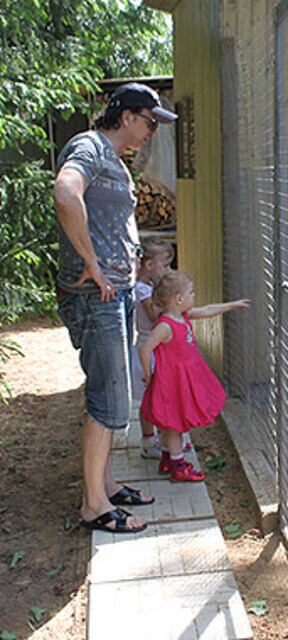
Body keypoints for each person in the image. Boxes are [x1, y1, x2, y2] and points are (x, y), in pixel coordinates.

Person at [54, 82, 177, 534]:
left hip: (115, 292)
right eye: (150, 122)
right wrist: (93, 264)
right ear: (126, 115)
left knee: (114, 395)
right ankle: (93, 506)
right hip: (97, 295)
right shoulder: (88, 146)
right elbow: (66, 192)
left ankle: (105, 486)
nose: (152, 132)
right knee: (107, 402)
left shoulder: (113, 158)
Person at [139, 270, 250, 482]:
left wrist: (232, 305)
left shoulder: (182, 316)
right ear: (179, 299)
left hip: (183, 380)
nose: (194, 296)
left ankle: (167, 460)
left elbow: (208, 310)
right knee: (175, 425)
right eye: (191, 293)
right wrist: (149, 376)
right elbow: (145, 349)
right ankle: (178, 466)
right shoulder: (165, 325)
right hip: (171, 382)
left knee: (172, 422)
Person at [132, 237, 174, 458]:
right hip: (148, 350)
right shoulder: (142, 290)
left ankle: (165, 441)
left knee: (160, 396)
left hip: (157, 349)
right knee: (150, 398)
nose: (169, 270)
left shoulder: (148, 287)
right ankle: (149, 443)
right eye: (165, 266)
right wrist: (172, 302)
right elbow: (154, 314)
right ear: (149, 266)